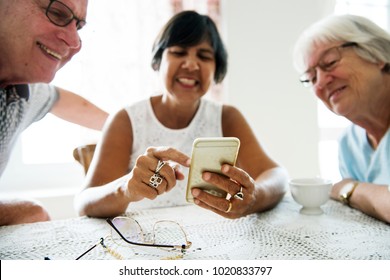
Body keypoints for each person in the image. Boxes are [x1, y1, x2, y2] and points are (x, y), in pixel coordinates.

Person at [74, 10, 288, 219]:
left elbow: (276, 176)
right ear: (158, 60)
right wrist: (126, 188)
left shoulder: (227, 117)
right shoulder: (126, 120)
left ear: (216, 69)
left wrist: (254, 197)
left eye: (204, 56)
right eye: (179, 52)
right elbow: (84, 202)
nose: (191, 64)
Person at [0, 0, 109, 225]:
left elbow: (59, 100)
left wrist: (128, 127)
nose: (75, 43)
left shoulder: (23, 90)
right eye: (57, 14)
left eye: (78, 27)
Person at [293, 14, 390, 223]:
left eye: (330, 62)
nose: (320, 84)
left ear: (377, 55)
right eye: (311, 78)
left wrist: (350, 188)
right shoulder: (349, 144)